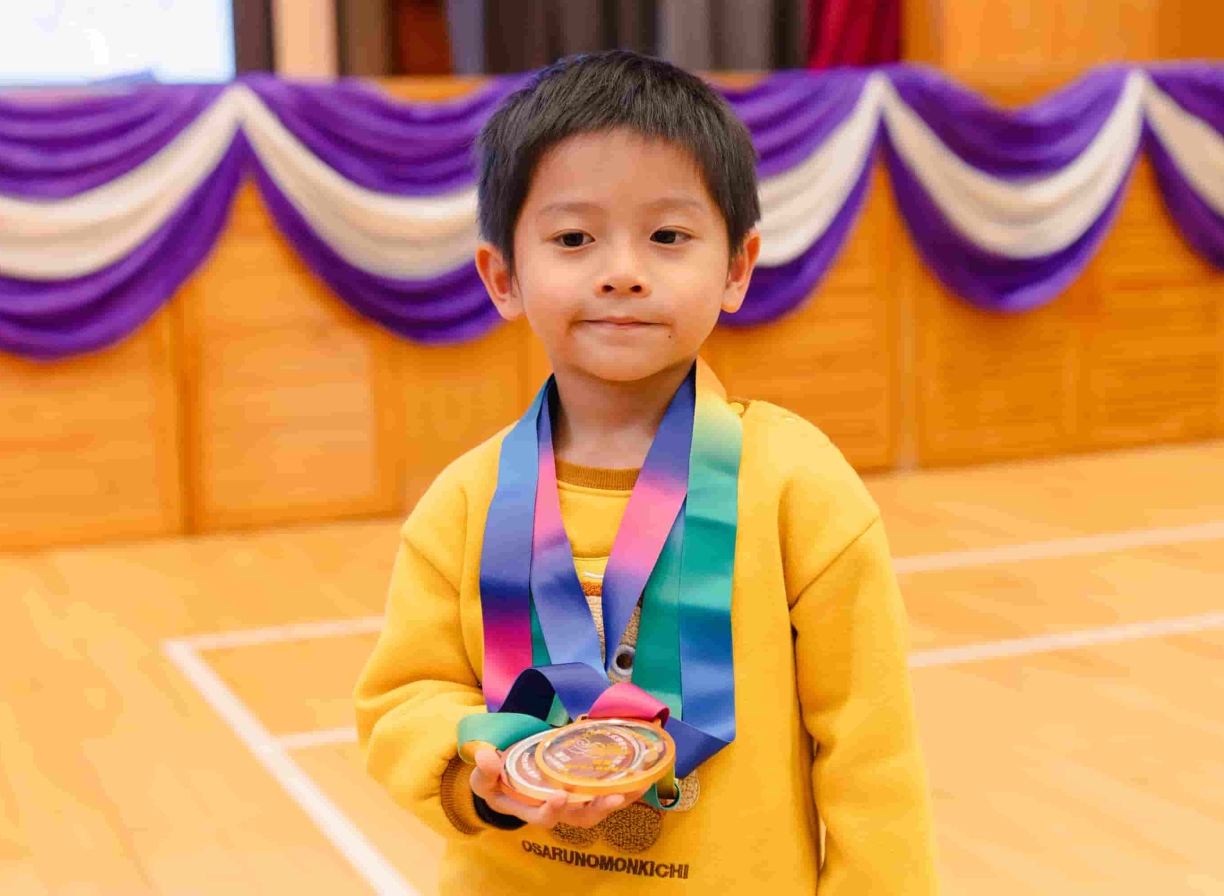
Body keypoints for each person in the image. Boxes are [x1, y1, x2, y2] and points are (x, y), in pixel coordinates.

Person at [355, 49, 937, 894]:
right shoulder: (464, 501)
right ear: (503, 277)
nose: (623, 271)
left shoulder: (799, 489)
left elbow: (872, 757)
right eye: (573, 238)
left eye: (668, 236)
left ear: (736, 268)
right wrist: (479, 768)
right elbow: (404, 699)